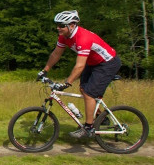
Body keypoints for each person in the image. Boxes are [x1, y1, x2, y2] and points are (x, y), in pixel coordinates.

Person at [38, 10, 122, 139]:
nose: (58, 28)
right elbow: (56, 54)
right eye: (57, 25)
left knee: (89, 93)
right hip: (93, 63)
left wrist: (67, 82)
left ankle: (88, 128)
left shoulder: (83, 38)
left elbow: (80, 66)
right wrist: (44, 70)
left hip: (108, 63)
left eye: (61, 25)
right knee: (83, 89)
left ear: (71, 25)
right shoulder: (64, 36)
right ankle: (101, 117)